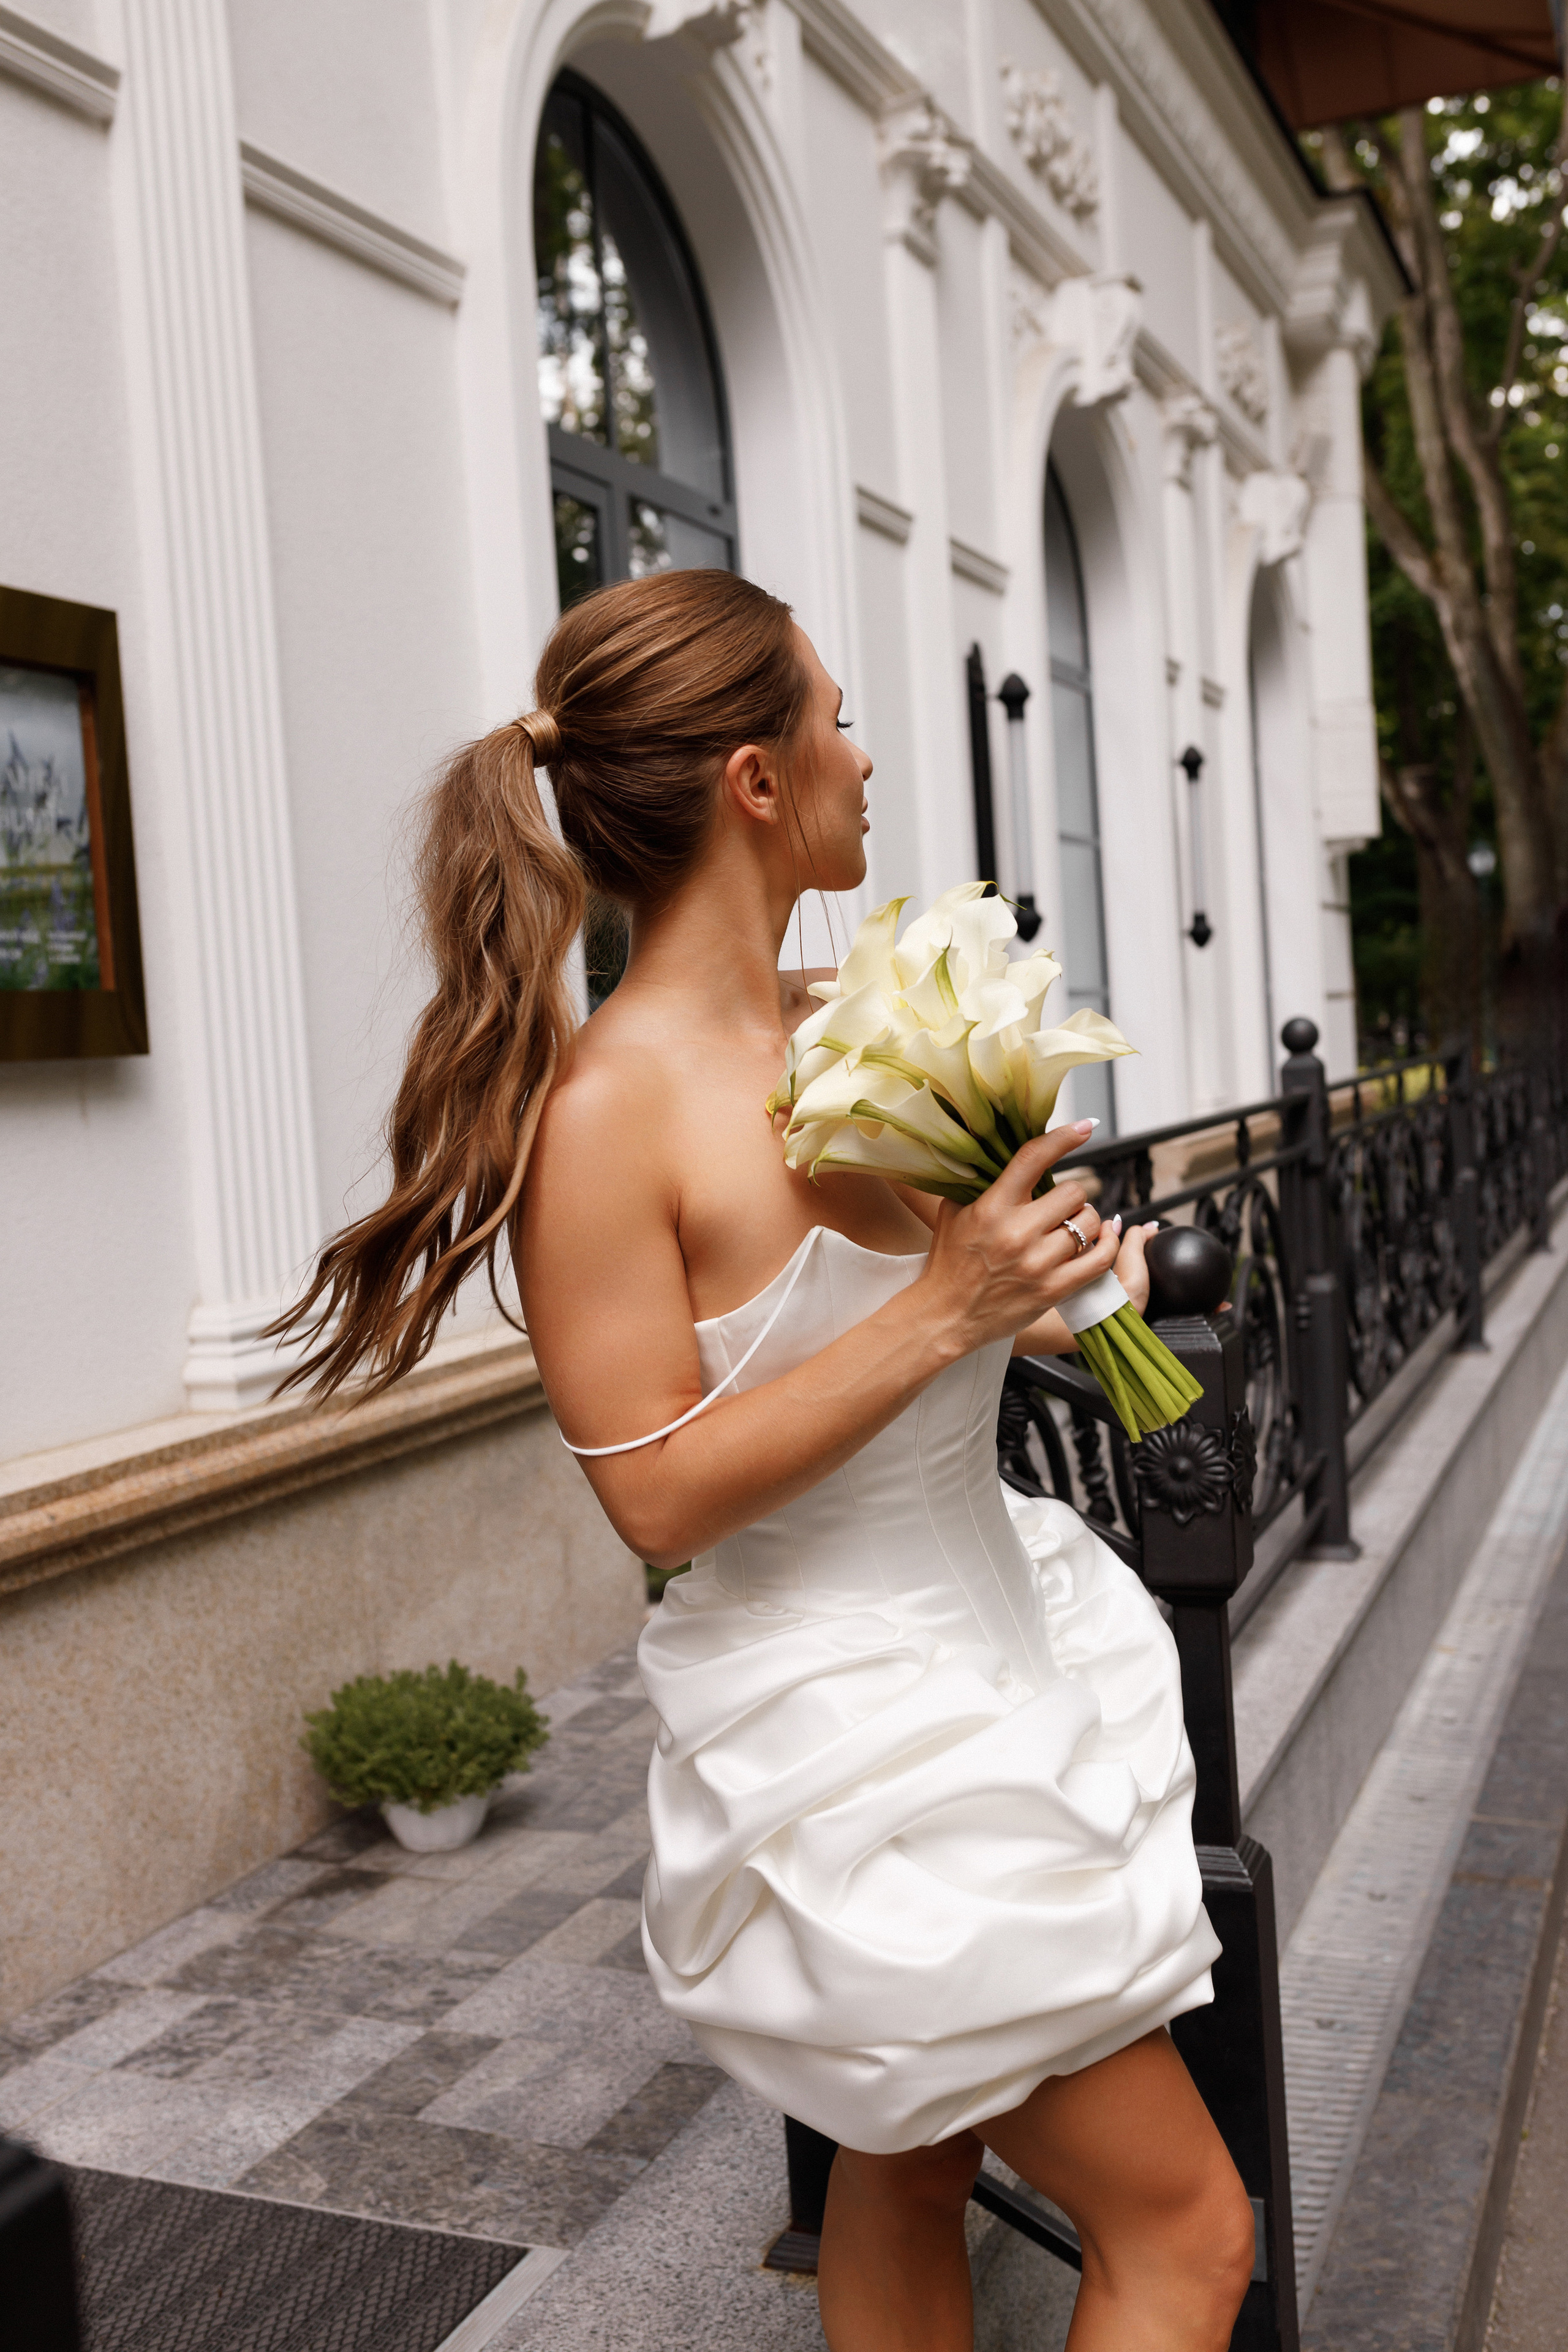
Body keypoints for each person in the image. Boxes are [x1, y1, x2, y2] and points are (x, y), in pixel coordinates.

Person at [281, 570, 1254, 2351]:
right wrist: (951, 1308)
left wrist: (1053, 1297)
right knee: (1188, 2232)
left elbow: (930, 1308)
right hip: (857, 1732)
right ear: (753, 777)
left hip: (1007, 1636)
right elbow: (652, 1491)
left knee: (910, 2168)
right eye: (831, 717)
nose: (863, 757)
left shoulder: (856, 1023)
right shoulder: (605, 1118)